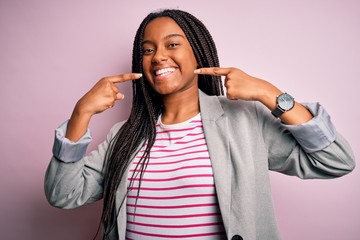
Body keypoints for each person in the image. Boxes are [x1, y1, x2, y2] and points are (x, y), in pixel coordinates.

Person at [45, 9, 355, 240]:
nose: (157, 57)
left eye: (172, 45)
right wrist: (80, 114)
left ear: (197, 52)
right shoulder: (124, 135)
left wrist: (268, 92)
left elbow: (335, 160)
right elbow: (64, 194)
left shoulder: (242, 122)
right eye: (148, 49)